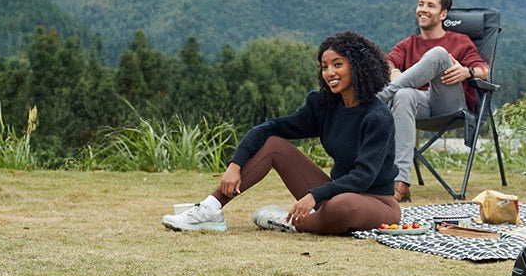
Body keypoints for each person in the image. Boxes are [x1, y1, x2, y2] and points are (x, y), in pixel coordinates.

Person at [162, 31, 400, 234]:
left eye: (338, 64)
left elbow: (363, 177)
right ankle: (210, 208)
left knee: (343, 206)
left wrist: (314, 196)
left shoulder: (377, 117)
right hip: (334, 193)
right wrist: (235, 165)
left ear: (357, 67)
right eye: (324, 67)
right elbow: (270, 128)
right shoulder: (323, 105)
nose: (330, 73)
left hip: (376, 202)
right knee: (275, 145)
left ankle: (287, 222)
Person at [378, 0, 489, 202]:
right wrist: (393, 71)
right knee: (403, 95)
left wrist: (467, 72)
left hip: (450, 104)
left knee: (438, 54)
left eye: (430, 5)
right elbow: (388, 60)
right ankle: (400, 183)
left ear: (443, 14)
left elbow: (485, 70)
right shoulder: (408, 44)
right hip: (419, 105)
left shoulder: (459, 41)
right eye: (420, 4)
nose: (423, 9)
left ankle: (381, 98)